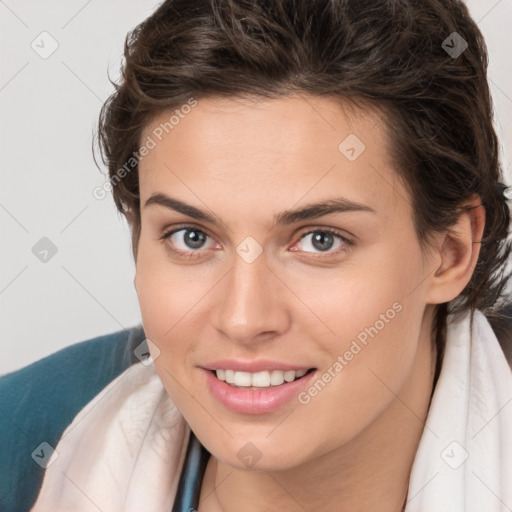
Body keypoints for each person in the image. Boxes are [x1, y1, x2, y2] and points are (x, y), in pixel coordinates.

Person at [1, 0, 511, 511]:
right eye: (191, 237)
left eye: (320, 240)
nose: (244, 320)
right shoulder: (19, 443)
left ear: (450, 252)